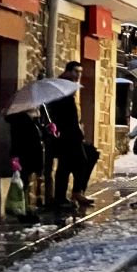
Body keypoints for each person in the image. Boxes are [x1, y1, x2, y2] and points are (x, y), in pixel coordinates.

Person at [45, 61, 94, 212]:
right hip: (67, 135)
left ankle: (68, 195)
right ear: (67, 71)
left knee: (66, 166)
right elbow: (63, 115)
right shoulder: (62, 89)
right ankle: (73, 193)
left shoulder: (69, 89)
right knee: (81, 161)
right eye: (76, 71)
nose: (78, 75)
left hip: (70, 134)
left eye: (80, 72)